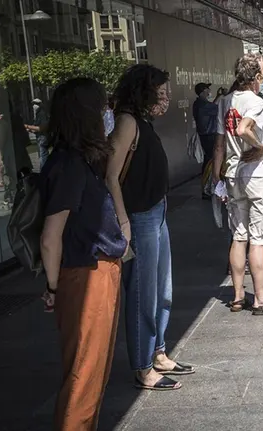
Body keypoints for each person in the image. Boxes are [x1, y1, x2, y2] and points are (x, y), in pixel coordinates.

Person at [39, 77, 128, 430]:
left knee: (92, 374)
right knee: (83, 378)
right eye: (102, 106)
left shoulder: (76, 161)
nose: (108, 112)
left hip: (93, 271)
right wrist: (54, 286)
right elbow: (51, 236)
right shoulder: (69, 166)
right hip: (86, 276)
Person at [107, 64, 190, 391]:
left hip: (157, 212)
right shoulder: (127, 121)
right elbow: (111, 175)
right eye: (162, 92)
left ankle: (158, 351)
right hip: (139, 217)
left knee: (162, 290)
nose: (167, 98)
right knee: (143, 294)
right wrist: (123, 220)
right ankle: (143, 366)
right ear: (144, 90)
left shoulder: (142, 121)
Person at [214, 54, 263, 316]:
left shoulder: (225, 101)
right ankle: (261, 298)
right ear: (256, 77)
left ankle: (237, 296)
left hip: (233, 172)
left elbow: (219, 143)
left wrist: (217, 176)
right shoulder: (255, 102)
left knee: (238, 235)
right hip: (255, 174)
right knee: (258, 239)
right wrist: (259, 146)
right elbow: (243, 129)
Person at [192, 82, 220, 198]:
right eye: (208, 89)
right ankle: (207, 188)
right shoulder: (203, 105)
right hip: (208, 135)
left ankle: (207, 188)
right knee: (210, 161)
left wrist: (218, 97)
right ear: (204, 91)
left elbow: (212, 106)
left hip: (206, 135)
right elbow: (217, 108)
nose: (209, 91)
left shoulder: (199, 103)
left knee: (209, 160)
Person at [26, 98, 49, 169]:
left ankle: (44, 170)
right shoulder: (38, 113)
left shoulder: (41, 113)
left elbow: (41, 128)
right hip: (40, 137)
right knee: (41, 155)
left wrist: (27, 126)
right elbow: (37, 127)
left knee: (43, 156)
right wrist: (30, 129)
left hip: (43, 137)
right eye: (33, 104)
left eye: (36, 104)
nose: (34, 105)